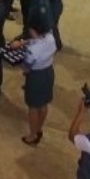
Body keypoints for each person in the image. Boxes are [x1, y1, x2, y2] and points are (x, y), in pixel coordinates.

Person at [10, 18, 57, 146]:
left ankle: (32, 135)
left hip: (36, 77)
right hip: (48, 72)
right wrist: (22, 43)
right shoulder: (50, 37)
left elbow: (26, 67)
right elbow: (37, 40)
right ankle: (39, 128)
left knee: (33, 106)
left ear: (33, 31)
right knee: (43, 103)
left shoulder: (33, 50)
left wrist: (18, 56)